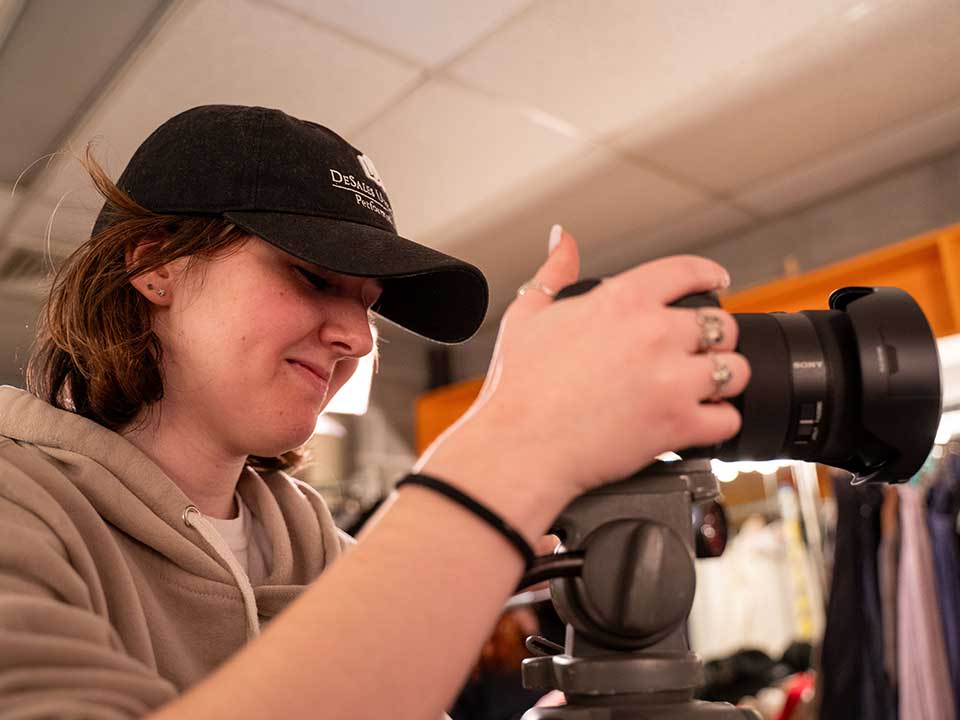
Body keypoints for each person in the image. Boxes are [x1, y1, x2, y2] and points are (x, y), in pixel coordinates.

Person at [0, 104, 750, 719]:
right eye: (313, 277)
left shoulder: (317, 546)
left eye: (369, 304)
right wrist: (494, 469)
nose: (359, 338)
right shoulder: (20, 508)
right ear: (153, 265)